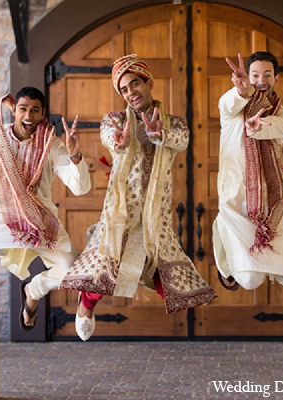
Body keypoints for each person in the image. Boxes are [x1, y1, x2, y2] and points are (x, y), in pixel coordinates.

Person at [59, 54, 217, 341]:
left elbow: (181, 140)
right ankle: (85, 306)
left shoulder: (175, 123)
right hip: (121, 211)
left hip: (155, 213)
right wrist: (117, 141)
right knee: (107, 271)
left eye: (134, 84)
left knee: (161, 271)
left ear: (149, 83)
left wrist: (160, 135)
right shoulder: (115, 120)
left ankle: (197, 304)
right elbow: (109, 135)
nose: (130, 92)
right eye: (123, 89)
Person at [0, 86, 91, 329]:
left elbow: (81, 188)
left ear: (43, 115)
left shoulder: (51, 145)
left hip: (38, 218)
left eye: (35, 110)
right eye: (23, 109)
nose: (28, 116)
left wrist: (75, 156)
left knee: (68, 269)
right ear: (14, 110)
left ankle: (33, 291)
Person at [212, 51, 283, 292]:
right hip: (237, 200)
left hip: (273, 202)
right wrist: (240, 91)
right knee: (249, 281)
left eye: (267, 75)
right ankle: (228, 256)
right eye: (255, 75)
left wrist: (256, 128)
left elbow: (276, 128)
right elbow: (228, 103)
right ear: (246, 77)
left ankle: (265, 264)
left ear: (276, 79)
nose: (261, 80)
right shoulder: (232, 107)